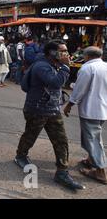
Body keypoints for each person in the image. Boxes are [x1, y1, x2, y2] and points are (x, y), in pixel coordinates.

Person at [15, 40, 85, 191]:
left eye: (66, 51)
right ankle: (20, 155)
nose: (66, 54)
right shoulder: (41, 66)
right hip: (37, 109)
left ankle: (62, 172)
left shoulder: (55, 65)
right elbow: (54, 83)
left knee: (61, 140)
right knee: (30, 135)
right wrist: (66, 67)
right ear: (52, 53)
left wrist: (63, 66)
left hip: (52, 110)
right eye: (63, 51)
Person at [64, 47, 107, 185]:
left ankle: (100, 171)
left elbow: (79, 89)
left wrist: (70, 104)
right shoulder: (105, 66)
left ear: (87, 56)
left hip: (91, 110)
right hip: (102, 109)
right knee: (93, 136)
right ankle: (90, 160)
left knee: (93, 139)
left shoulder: (87, 68)